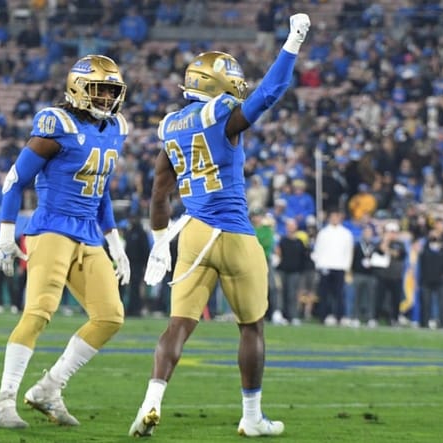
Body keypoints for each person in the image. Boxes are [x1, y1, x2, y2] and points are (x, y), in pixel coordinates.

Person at [130, 13, 310, 438]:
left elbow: (158, 193)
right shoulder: (223, 114)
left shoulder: (172, 126)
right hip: (233, 232)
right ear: (217, 86)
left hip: (191, 232)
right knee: (251, 327)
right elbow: (270, 93)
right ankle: (251, 417)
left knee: (178, 325)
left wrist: (159, 242)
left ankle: (151, 402)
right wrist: (293, 43)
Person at [0, 54, 131, 429]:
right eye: (99, 91)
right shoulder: (57, 123)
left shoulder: (116, 126)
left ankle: (49, 388)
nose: (106, 99)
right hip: (51, 227)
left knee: (110, 316)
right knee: (39, 312)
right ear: (78, 88)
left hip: (88, 232)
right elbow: (13, 180)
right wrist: (6, 235)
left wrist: (114, 239)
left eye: (111, 92)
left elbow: (100, 189)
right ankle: (4, 401)